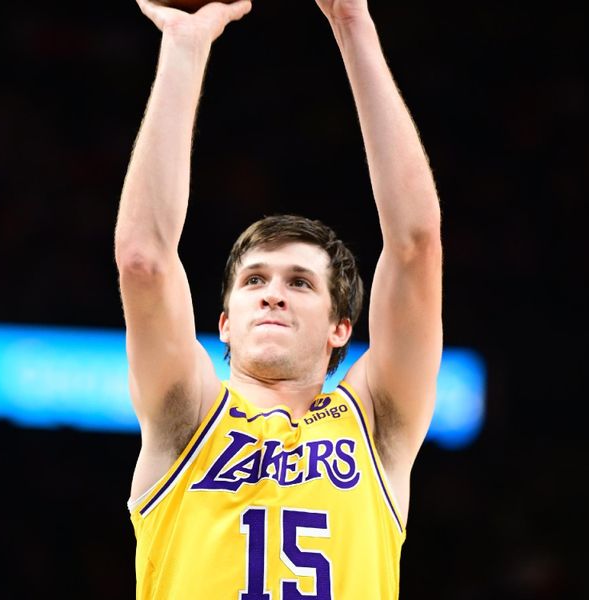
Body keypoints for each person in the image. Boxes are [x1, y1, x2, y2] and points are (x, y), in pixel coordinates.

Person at [115, 0, 442, 597]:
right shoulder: (186, 417)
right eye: (254, 281)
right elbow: (144, 260)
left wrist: (351, 20)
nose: (272, 296)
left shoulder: (375, 425)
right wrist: (186, 44)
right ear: (225, 324)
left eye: (300, 282)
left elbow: (416, 244)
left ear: (341, 327)